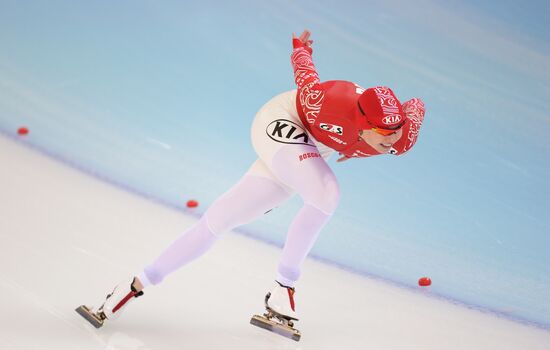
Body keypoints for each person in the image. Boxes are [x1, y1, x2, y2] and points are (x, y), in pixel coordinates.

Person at [76, 30, 426, 332]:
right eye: (382, 131)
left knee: (220, 219)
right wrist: (300, 48)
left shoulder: (400, 137)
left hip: (310, 145)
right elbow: (306, 77)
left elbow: (416, 105)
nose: (391, 139)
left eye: (396, 130)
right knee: (326, 193)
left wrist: (400, 124)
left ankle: (132, 285)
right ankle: (285, 288)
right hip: (282, 119)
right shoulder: (327, 101)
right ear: (362, 121)